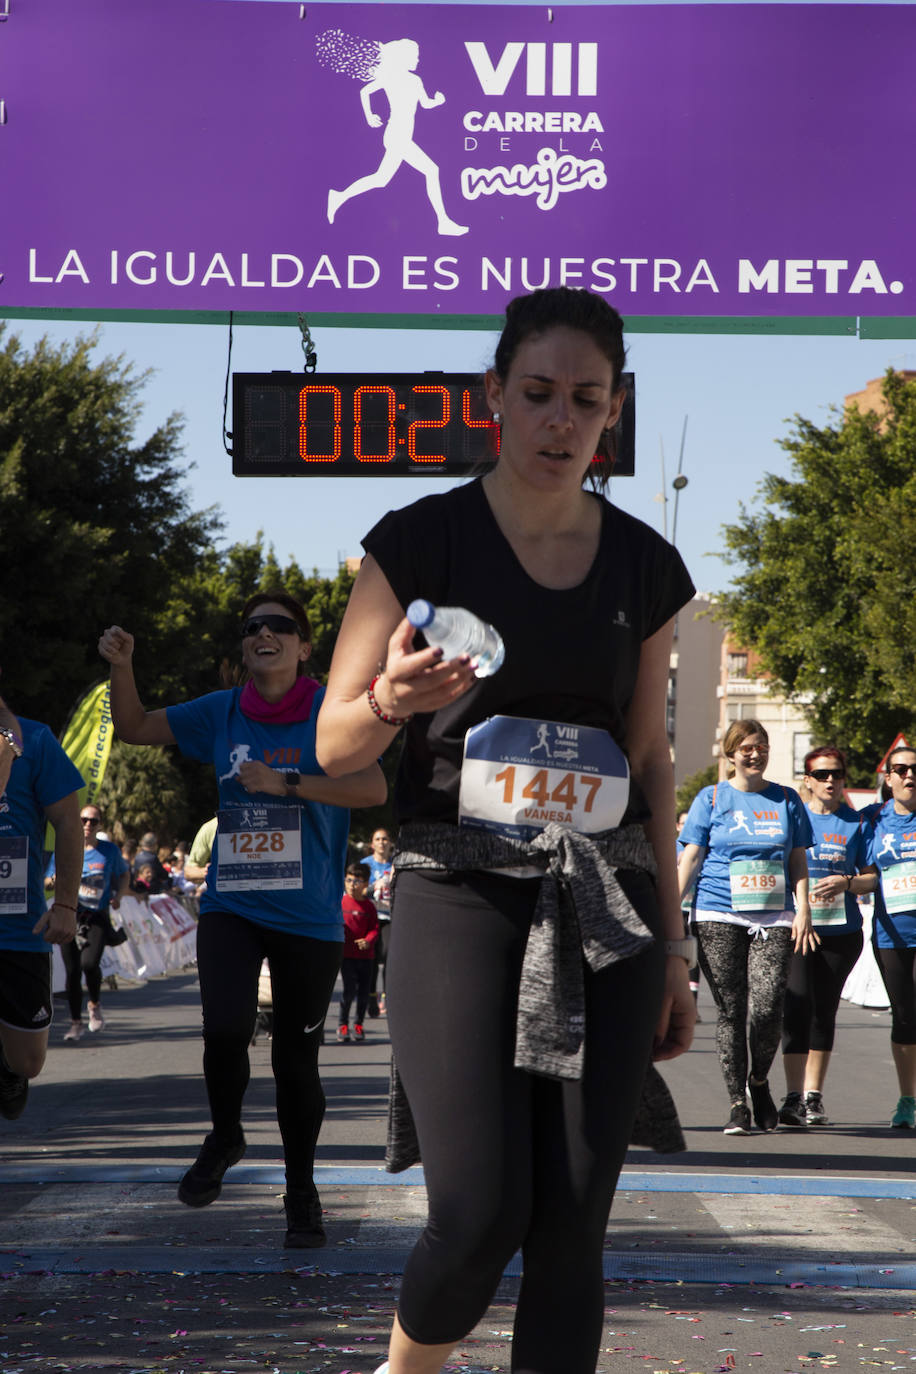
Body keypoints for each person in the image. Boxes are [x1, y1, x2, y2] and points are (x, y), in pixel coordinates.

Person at [315, 287, 696, 1374]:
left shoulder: (644, 567)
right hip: (457, 886)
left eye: (584, 399)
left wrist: (669, 948)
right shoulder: (416, 542)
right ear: (492, 397)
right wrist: (391, 699)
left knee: (574, 1224)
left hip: (606, 900)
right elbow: (337, 748)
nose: (558, 421)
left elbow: (652, 764)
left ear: (613, 410)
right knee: (480, 1213)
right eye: (536, 394)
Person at [98, 590, 386, 1247]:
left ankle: (302, 1191)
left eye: (280, 627)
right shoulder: (222, 711)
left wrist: (285, 783)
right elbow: (137, 725)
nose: (264, 634)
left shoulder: (325, 713)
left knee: (296, 1062)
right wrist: (122, 664)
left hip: (309, 918)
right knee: (225, 1030)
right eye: (254, 626)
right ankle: (226, 1135)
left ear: (304, 646)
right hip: (234, 904)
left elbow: (372, 788)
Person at [678, 719, 816, 1136]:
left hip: (773, 915)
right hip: (718, 912)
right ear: (731, 753)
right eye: (746, 747)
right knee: (730, 1010)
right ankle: (737, 1103)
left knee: (769, 1004)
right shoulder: (712, 797)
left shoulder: (787, 799)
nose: (755, 754)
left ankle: (759, 1082)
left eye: (761, 746)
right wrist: (670, 908)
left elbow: (797, 860)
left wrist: (804, 906)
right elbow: (690, 859)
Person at [777, 747, 877, 1128]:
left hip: (841, 933)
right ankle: (791, 1097)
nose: (830, 781)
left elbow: (872, 877)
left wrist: (847, 882)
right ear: (807, 780)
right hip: (796, 930)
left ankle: (813, 1097)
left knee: (824, 1013)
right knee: (796, 1008)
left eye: (836, 774)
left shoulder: (856, 823)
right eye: (821, 775)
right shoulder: (792, 819)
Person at [0, 691, 83, 1121]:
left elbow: (69, 821)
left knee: (28, 1061)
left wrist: (66, 904)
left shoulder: (34, 740)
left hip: (19, 927)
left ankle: (8, 1067)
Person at [46, 803, 129, 1040]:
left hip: (97, 916)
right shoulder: (65, 848)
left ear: (99, 824)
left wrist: (120, 896)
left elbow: (124, 874)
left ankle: (94, 1003)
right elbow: (46, 881)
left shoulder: (109, 851)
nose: (88, 825)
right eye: (84, 819)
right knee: (72, 971)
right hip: (68, 913)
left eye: (93, 821)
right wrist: (53, 880)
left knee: (89, 964)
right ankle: (75, 1023)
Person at [866, 744, 916, 1129]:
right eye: (901, 769)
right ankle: (907, 1100)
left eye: (915, 769)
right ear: (889, 778)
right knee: (903, 1019)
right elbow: (866, 874)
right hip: (891, 937)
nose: (909, 776)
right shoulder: (872, 820)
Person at [338, 861, 380, 1043]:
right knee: (348, 992)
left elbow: (375, 928)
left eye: (356, 881)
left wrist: (368, 940)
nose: (352, 885)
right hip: (346, 956)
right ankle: (343, 1024)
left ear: (365, 884)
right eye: (348, 880)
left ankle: (358, 1024)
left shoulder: (369, 907)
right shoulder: (340, 902)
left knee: (363, 993)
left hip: (366, 957)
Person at [362, 826, 393, 1015]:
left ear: (390, 843)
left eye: (385, 839)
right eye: (378, 839)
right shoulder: (365, 865)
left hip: (389, 915)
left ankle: (386, 996)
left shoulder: (394, 864)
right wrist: (373, 889)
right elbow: (353, 888)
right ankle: (371, 997)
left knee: (389, 953)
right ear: (372, 844)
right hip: (370, 915)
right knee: (372, 957)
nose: (382, 842)